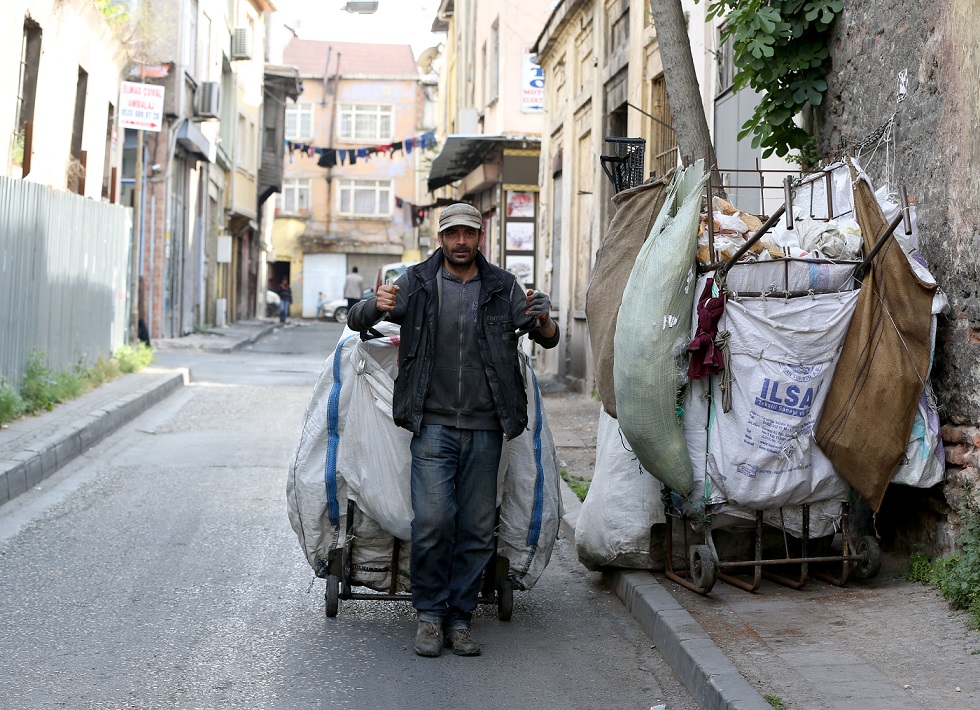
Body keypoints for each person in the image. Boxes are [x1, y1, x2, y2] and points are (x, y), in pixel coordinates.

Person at [348, 202, 559, 658]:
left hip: (486, 426)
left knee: (478, 529)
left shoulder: (502, 286)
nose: (461, 241)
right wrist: (373, 305)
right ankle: (429, 616)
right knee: (432, 522)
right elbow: (357, 320)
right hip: (432, 425)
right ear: (440, 238)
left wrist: (545, 319)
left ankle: (460, 618)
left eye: (469, 233)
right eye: (453, 234)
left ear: (480, 237)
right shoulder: (417, 283)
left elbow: (547, 336)